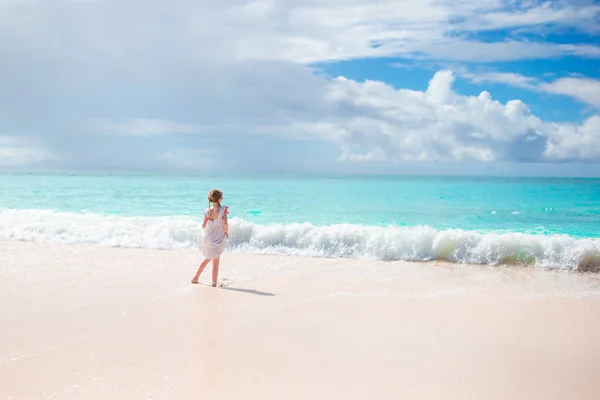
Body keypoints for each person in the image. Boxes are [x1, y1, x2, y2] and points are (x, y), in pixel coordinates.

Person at [191, 189, 229, 287]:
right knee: (215, 263)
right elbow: (225, 223)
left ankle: (195, 278)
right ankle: (214, 284)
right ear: (220, 199)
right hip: (217, 238)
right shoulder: (223, 209)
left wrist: (209, 220)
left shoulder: (208, 211)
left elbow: (203, 226)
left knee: (208, 259)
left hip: (208, 237)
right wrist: (227, 232)